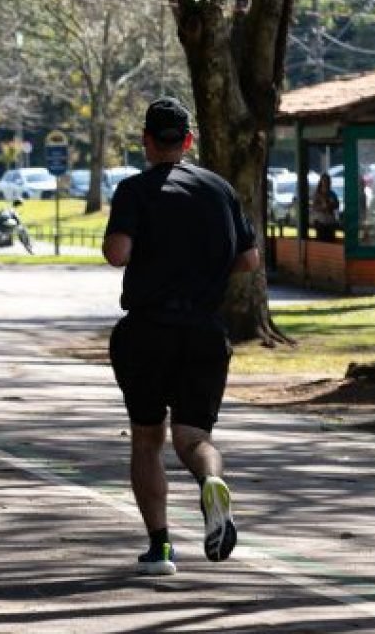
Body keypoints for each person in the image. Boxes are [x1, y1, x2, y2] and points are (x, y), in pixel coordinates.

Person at [102, 97, 260, 576]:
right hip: (205, 333)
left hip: (149, 330)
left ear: (147, 142)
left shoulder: (135, 190)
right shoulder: (220, 189)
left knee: (148, 438)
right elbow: (248, 260)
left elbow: (117, 253)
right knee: (193, 436)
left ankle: (161, 548)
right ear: (189, 141)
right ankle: (211, 481)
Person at [310, 173, 340, 242]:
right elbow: (314, 207)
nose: (326, 183)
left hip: (330, 222)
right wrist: (323, 207)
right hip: (320, 222)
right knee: (321, 241)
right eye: (325, 181)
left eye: (328, 181)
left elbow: (336, 205)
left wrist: (329, 206)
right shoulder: (317, 194)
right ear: (321, 182)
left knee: (330, 241)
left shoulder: (332, 194)